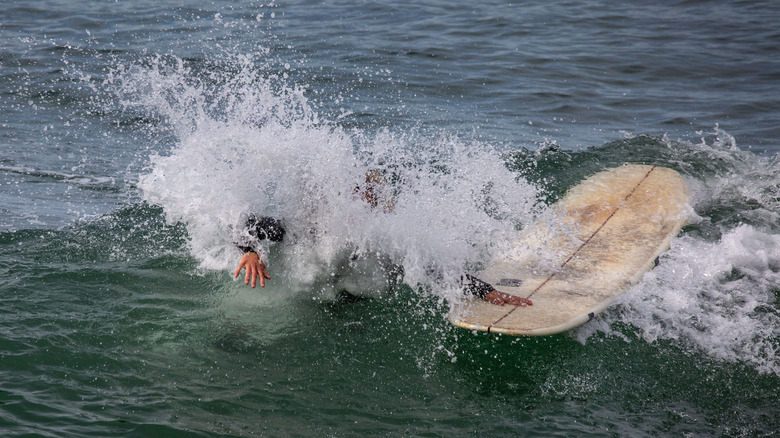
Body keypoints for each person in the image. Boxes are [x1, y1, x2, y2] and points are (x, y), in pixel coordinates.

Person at [233, 174, 532, 307]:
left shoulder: (380, 238)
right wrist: (251, 252)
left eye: (373, 200)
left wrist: (487, 291)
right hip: (307, 296)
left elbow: (431, 268)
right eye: (359, 194)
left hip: (348, 300)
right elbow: (245, 223)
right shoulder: (306, 226)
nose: (365, 205)